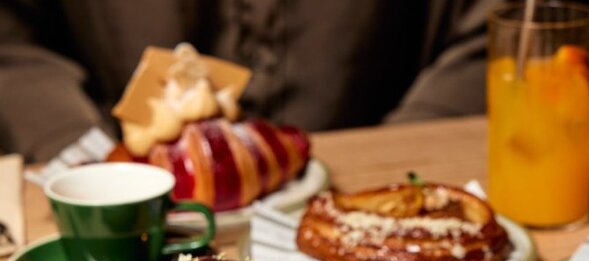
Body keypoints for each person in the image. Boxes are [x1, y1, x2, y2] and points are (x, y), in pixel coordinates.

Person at [0, 0, 496, 162]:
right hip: (122, 188)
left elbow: (513, 29)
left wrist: (392, 164)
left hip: (376, 163)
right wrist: (85, 158)